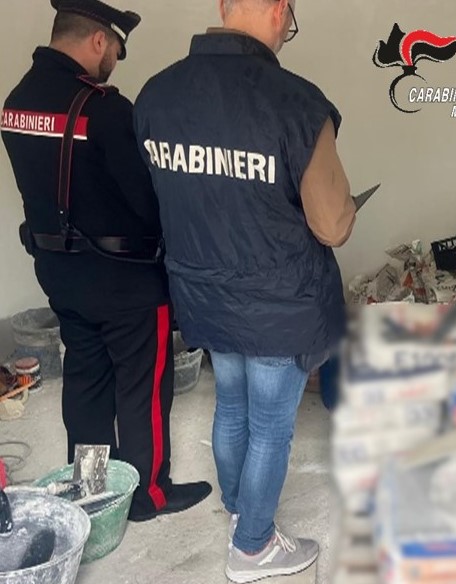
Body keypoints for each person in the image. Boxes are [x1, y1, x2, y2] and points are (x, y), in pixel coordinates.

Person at [134, 0, 356, 579]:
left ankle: (240, 512)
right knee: (271, 426)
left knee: (231, 403)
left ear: (224, 7)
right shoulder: (297, 103)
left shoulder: (156, 95)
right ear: (280, 11)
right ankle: (253, 547)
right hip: (278, 303)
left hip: (203, 293)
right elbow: (331, 224)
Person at [1, 0, 212, 522]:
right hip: (127, 283)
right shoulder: (105, 110)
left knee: (87, 384)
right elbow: (147, 202)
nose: (114, 61)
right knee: (143, 390)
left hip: (61, 277)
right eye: (115, 50)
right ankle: (146, 495)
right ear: (99, 40)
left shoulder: (16, 103)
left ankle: (93, 489)